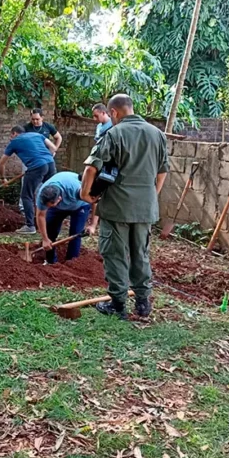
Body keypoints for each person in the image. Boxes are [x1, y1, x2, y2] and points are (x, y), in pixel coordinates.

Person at [80, 94, 169, 320]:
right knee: (140, 253)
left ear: (114, 112)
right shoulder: (157, 134)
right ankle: (143, 303)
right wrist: (151, 196)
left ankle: (118, 304)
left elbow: (91, 168)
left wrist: (85, 194)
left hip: (117, 207)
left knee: (115, 254)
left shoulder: (114, 134)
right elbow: (162, 172)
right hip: (145, 208)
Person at [0, 125, 57, 235]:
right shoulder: (37, 135)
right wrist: (46, 158)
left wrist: (3, 178)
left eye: (11, 135)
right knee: (52, 193)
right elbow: (53, 148)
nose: (10, 138)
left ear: (14, 133)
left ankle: (30, 226)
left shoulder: (14, 142)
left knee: (26, 196)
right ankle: (52, 221)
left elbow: (1, 163)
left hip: (36, 167)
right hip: (50, 163)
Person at [36, 172, 92, 264]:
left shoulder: (76, 189)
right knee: (50, 230)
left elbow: (95, 201)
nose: (48, 207)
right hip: (59, 206)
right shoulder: (43, 196)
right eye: (47, 206)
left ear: (59, 198)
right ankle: (51, 262)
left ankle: (72, 262)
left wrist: (93, 225)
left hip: (80, 205)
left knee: (76, 232)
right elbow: (41, 216)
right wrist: (45, 239)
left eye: (51, 205)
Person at [89, 103, 113, 234]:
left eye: (96, 116)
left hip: (110, 165)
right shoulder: (99, 127)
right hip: (99, 163)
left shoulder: (114, 126)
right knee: (95, 193)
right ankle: (93, 223)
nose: (94, 119)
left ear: (104, 113)